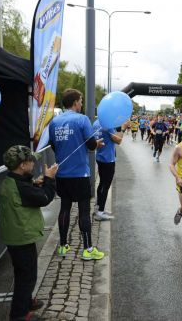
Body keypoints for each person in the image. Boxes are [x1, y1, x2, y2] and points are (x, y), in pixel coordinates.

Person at [0, 146, 58, 321]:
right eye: (30, 161)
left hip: (15, 235)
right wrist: (49, 179)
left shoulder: (11, 180)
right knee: (27, 275)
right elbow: (45, 198)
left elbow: (25, 188)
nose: (34, 163)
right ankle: (19, 314)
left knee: (23, 272)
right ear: (22, 165)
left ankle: (25, 301)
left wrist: (35, 183)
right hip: (21, 237)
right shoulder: (21, 187)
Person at [49, 88, 104, 260]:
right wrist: (97, 144)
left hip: (62, 173)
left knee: (64, 208)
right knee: (84, 211)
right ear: (75, 102)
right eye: (80, 100)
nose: (81, 103)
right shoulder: (82, 120)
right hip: (79, 173)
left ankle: (63, 246)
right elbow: (91, 145)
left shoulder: (54, 122)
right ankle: (87, 249)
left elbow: (53, 145)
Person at [92, 119, 125, 221]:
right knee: (105, 185)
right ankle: (100, 212)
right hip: (108, 158)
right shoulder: (108, 124)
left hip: (100, 156)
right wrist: (123, 128)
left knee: (102, 183)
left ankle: (98, 208)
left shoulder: (96, 122)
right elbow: (118, 140)